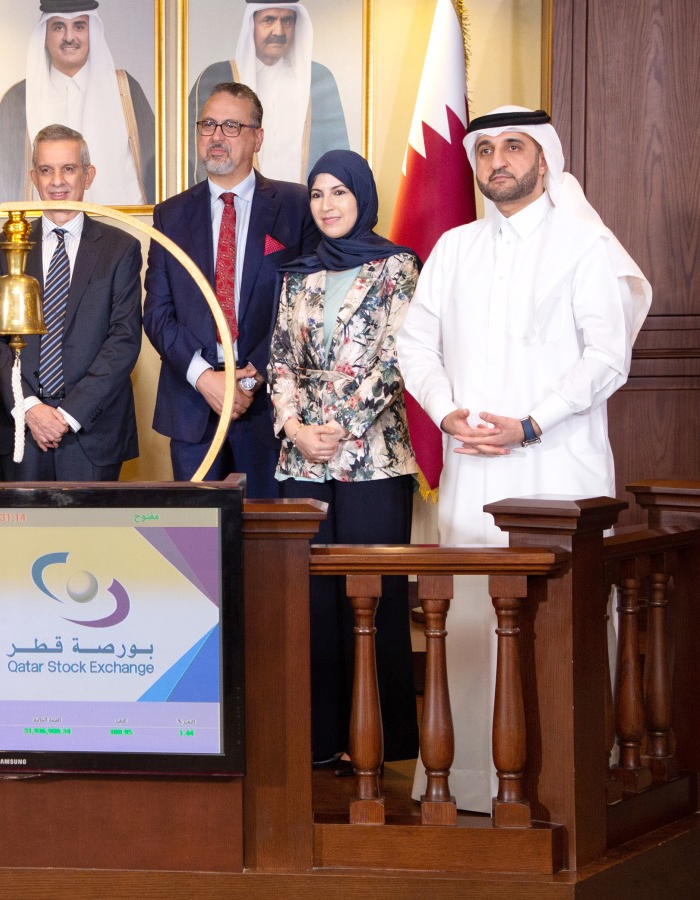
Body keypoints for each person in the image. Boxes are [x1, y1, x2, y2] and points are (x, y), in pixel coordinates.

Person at [397, 106, 652, 811]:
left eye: (514, 147)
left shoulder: (584, 245)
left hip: (557, 466)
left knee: (558, 616)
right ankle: (469, 782)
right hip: (474, 465)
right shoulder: (453, 248)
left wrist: (532, 424)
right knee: (473, 617)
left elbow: (608, 356)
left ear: (544, 158)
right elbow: (415, 344)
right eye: (486, 151)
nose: (498, 162)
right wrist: (447, 409)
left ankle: (569, 780)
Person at [269, 149, 421, 766]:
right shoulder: (296, 273)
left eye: (339, 193)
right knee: (311, 601)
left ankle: (384, 742)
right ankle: (321, 739)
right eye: (317, 195)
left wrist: (339, 424)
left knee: (373, 596)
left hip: (373, 460)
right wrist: (295, 426)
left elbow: (400, 357)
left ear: (362, 197)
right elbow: (279, 356)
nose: (327, 206)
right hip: (303, 458)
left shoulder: (398, 267)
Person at [144, 82, 318, 499]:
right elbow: (158, 313)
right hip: (192, 408)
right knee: (198, 548)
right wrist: (205, 378)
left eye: (231, 126)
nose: (216, 136)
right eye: (207, 125)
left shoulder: (296, 206)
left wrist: (251, 376)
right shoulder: (170, 214)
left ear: (257, 137)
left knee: (269, 548)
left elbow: (305, 308)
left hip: (271, 407)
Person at [0, 124, 142, 481]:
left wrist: (67, 415)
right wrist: (31, 409)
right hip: (23, 429)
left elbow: (123, 340)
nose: (58, 182)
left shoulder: (120, 249)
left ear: (88, 175)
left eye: (68, 169)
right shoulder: (7, 247)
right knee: (23, 537)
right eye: (47, 170)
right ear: (33, 177)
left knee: (92, 537)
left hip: (92, 432)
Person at [0, 0, 155, 207]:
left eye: (79, 26)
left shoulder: (125, 91)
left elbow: (149, 178)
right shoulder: (15, 101)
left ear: (92, 32)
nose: (69, 37)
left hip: (119, 229)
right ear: (45, 35)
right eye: (58, 27)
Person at [186, 2, 349, 186]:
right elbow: (197, 160)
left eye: (287, 21)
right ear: (252, 24)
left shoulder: (319, 78)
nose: (278, 31)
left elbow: (339, 159)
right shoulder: (215, 76)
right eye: (268, 20)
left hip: (304, 209)